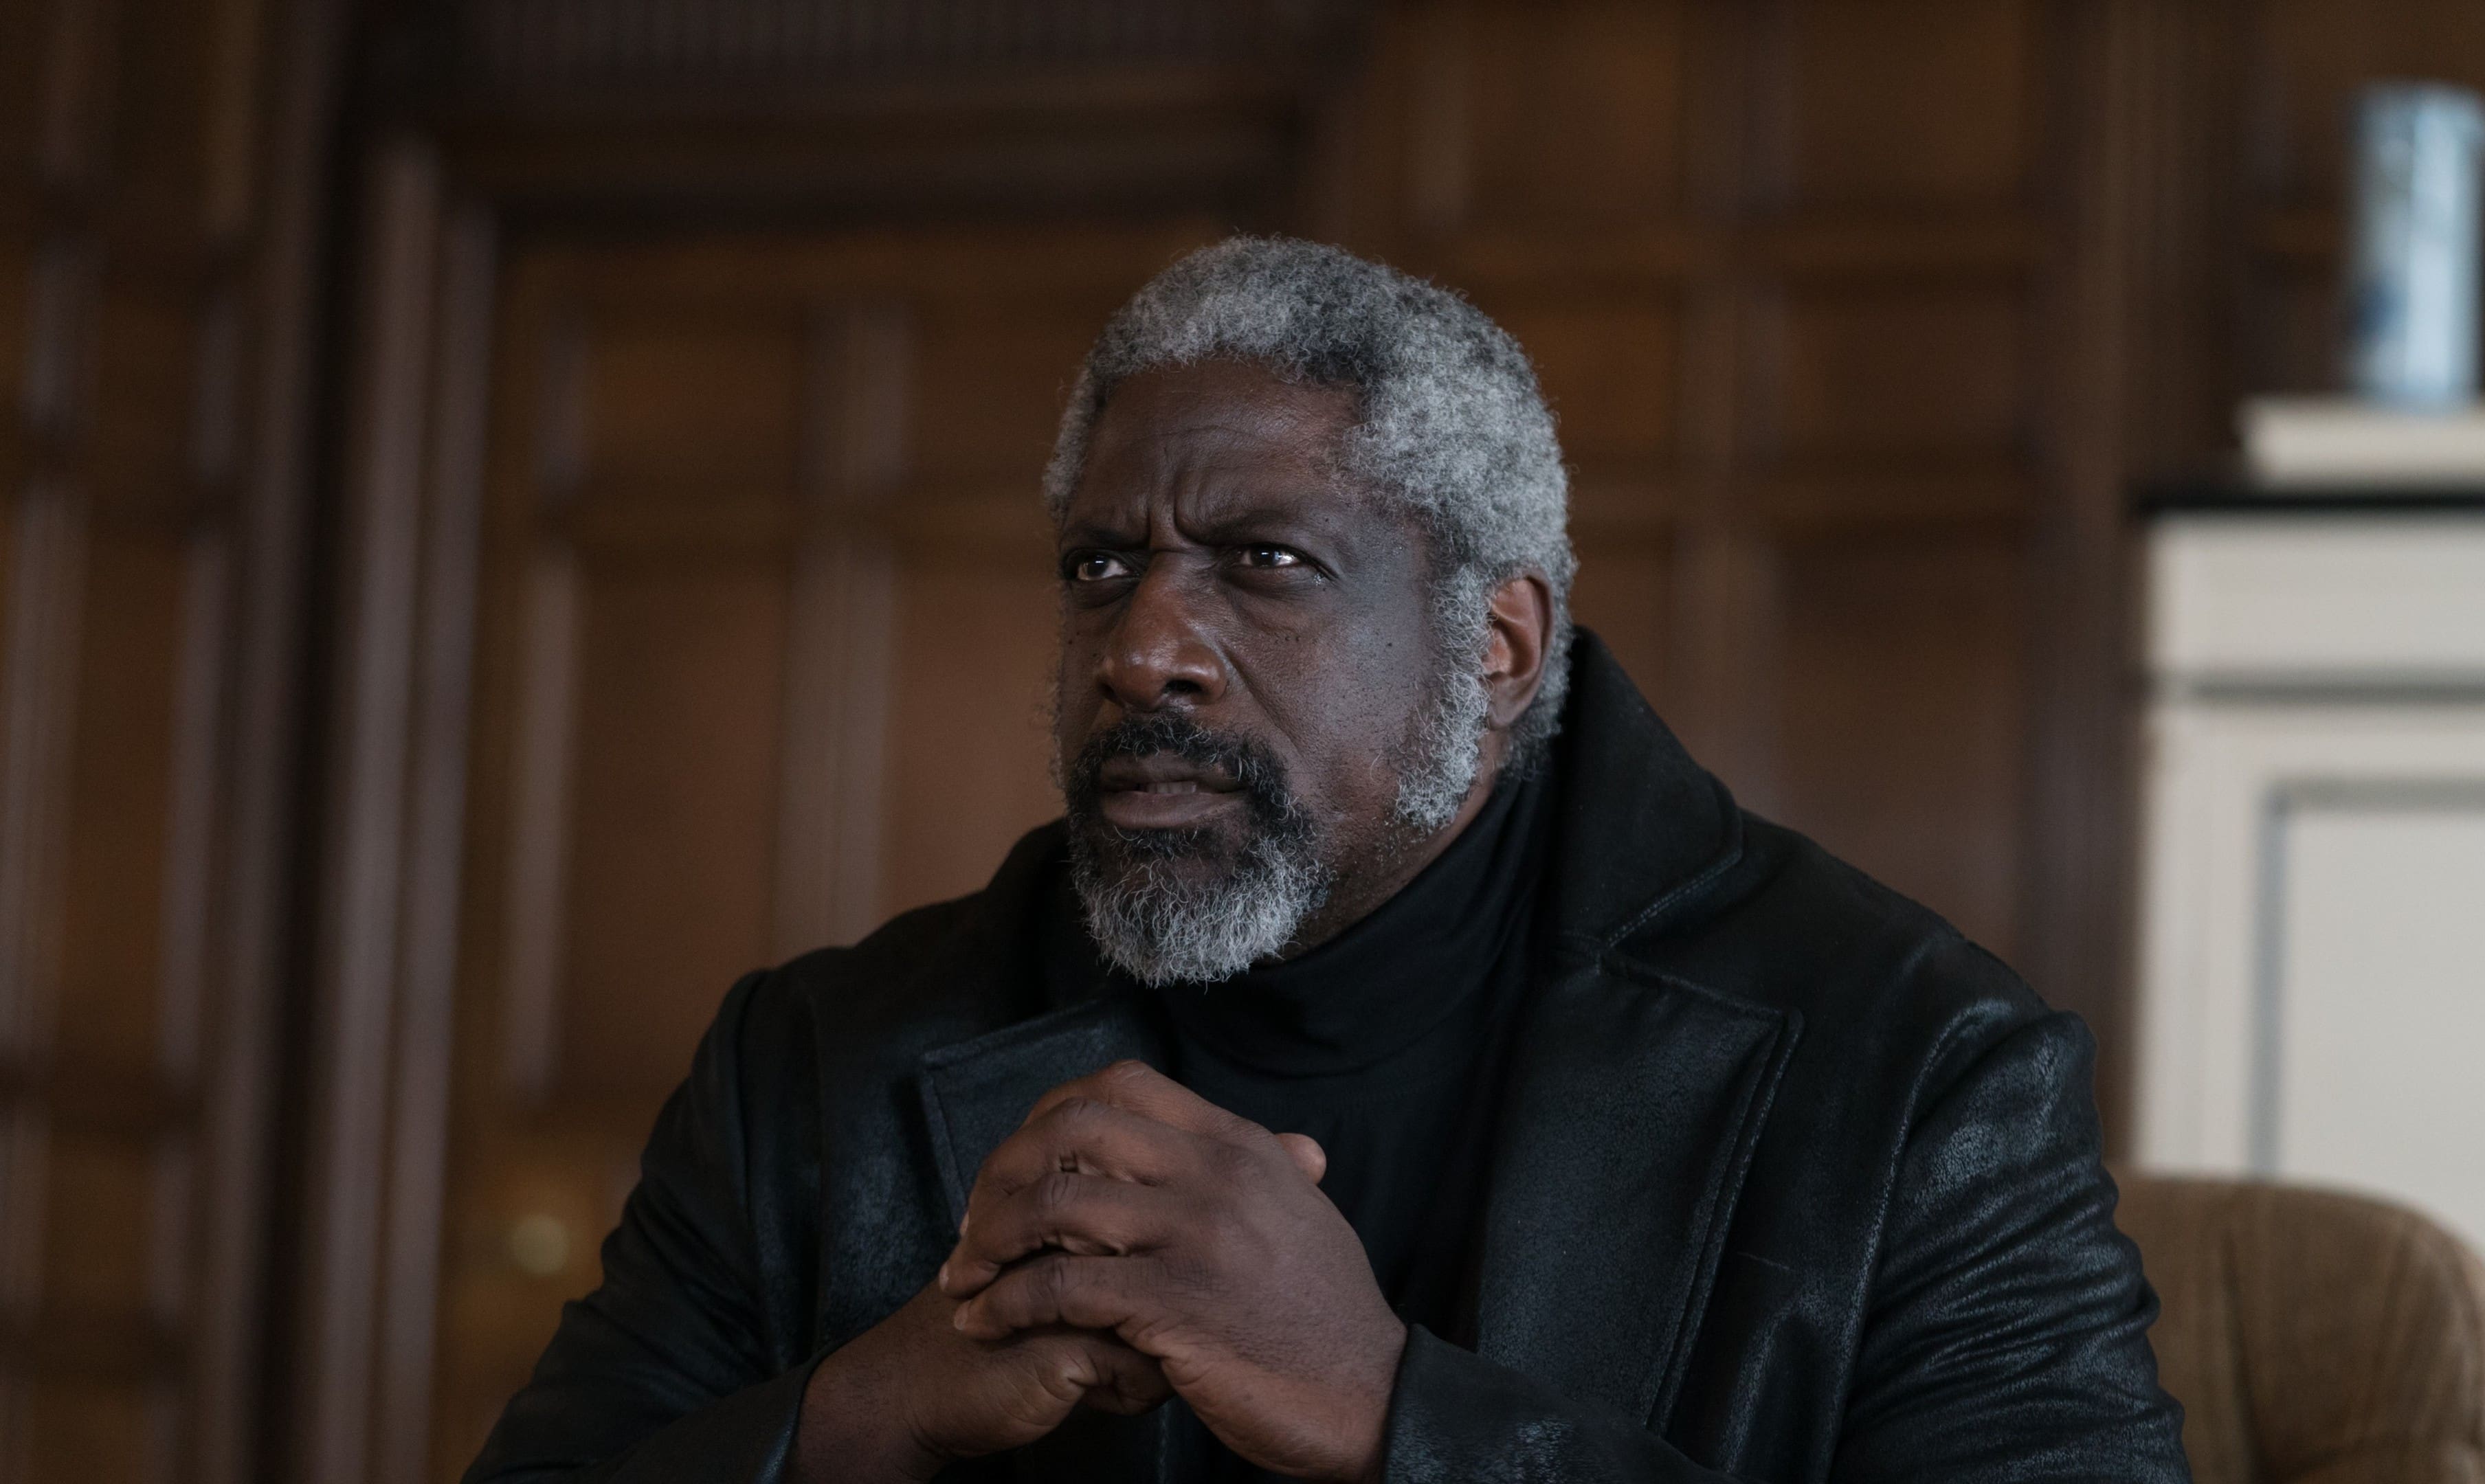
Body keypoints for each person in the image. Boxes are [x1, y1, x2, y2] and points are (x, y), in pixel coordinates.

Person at [466, 238, 2190, 1484]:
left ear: (1497, 648)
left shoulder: (1921, 1072)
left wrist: (1391, 1412)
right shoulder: (815, 1062)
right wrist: (874, 1410)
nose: (1145, 649)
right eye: (1098, 567)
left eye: (1267, 563)